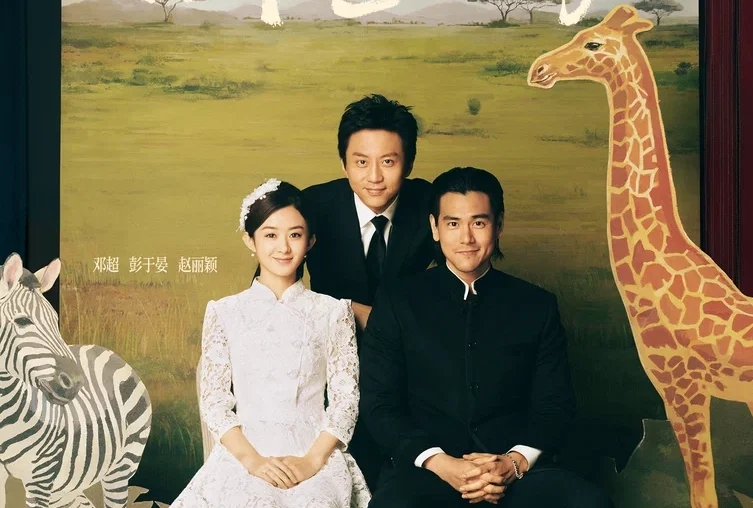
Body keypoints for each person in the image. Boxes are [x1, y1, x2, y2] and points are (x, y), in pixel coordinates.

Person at [360, 167, 613, 508]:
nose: (466, 238)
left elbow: (555, 405)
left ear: (499, 225)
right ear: (434, 227)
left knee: (589, 503)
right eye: (453, 223)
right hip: (428, 469)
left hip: (516, 469)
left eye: (478, 223)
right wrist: (441, 463)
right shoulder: (397, 301)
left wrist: (512, 463)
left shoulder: (537, 305)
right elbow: (379, 405)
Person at [172, 179, 370, 508]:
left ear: (311, 241)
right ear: (250, 240)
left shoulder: (333, 312)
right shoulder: (224, 312)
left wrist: (310, 462)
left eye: (295, 235)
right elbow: (215, 401)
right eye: (270, 235)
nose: (284, 248)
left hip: (315, 454)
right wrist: (253, 462)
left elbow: (345, 401)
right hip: (244, 454)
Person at [303, 94, 435, 487]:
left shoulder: (430, 204)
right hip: (330, 364)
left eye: (388, 162)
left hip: (409, 368)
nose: (374, 177)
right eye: (361, 162)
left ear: (408, 163)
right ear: (343, 162)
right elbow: (269, 290)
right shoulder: (313, 205)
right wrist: (350, 310)